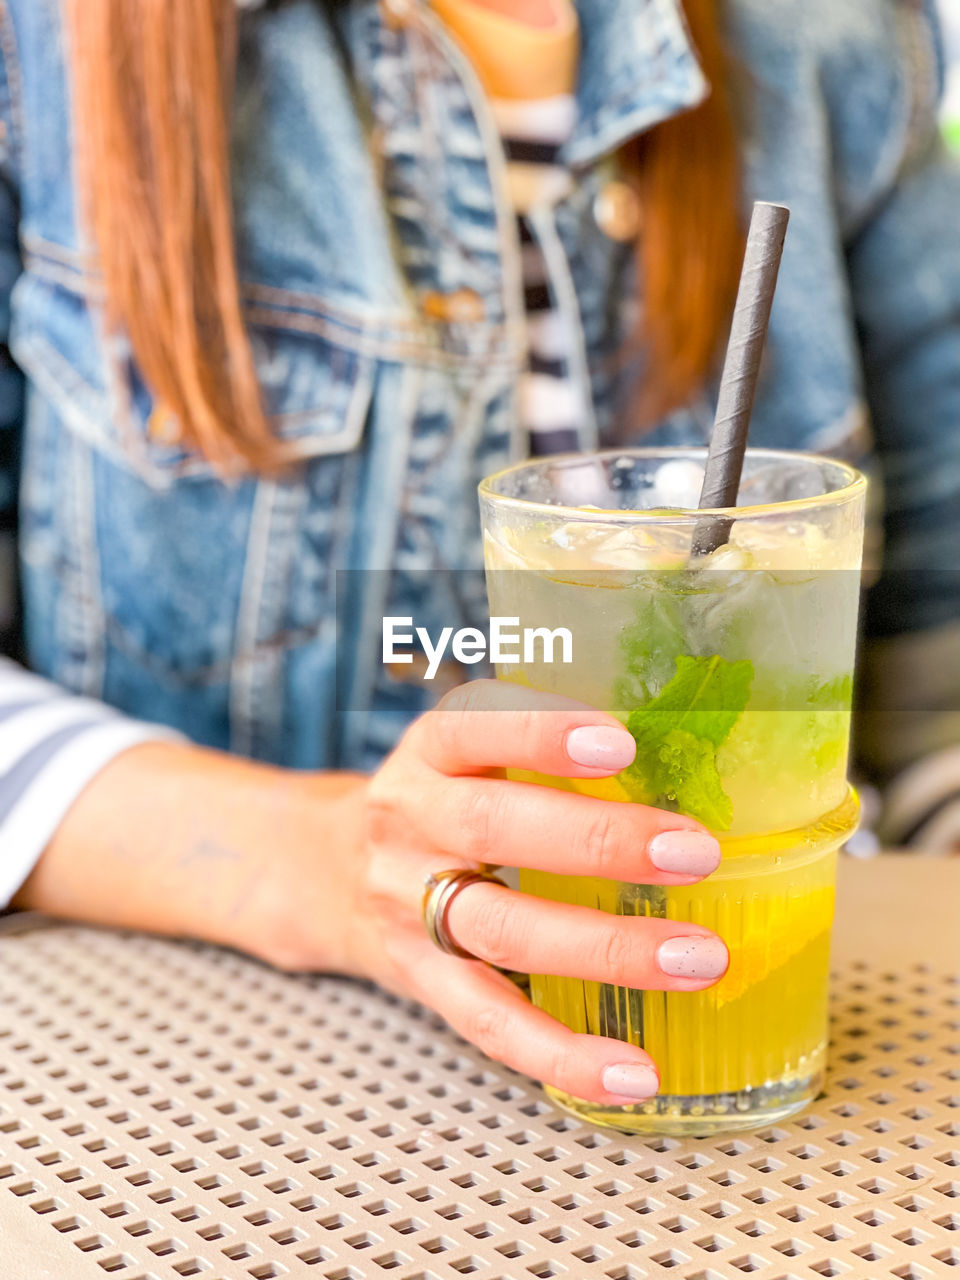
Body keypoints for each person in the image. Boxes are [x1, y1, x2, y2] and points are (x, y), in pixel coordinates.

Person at [0, 0, 958, 1107]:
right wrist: (323, 860)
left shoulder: (831, 38)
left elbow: (934, 694)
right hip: (223, 1073)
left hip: (800, 1062)